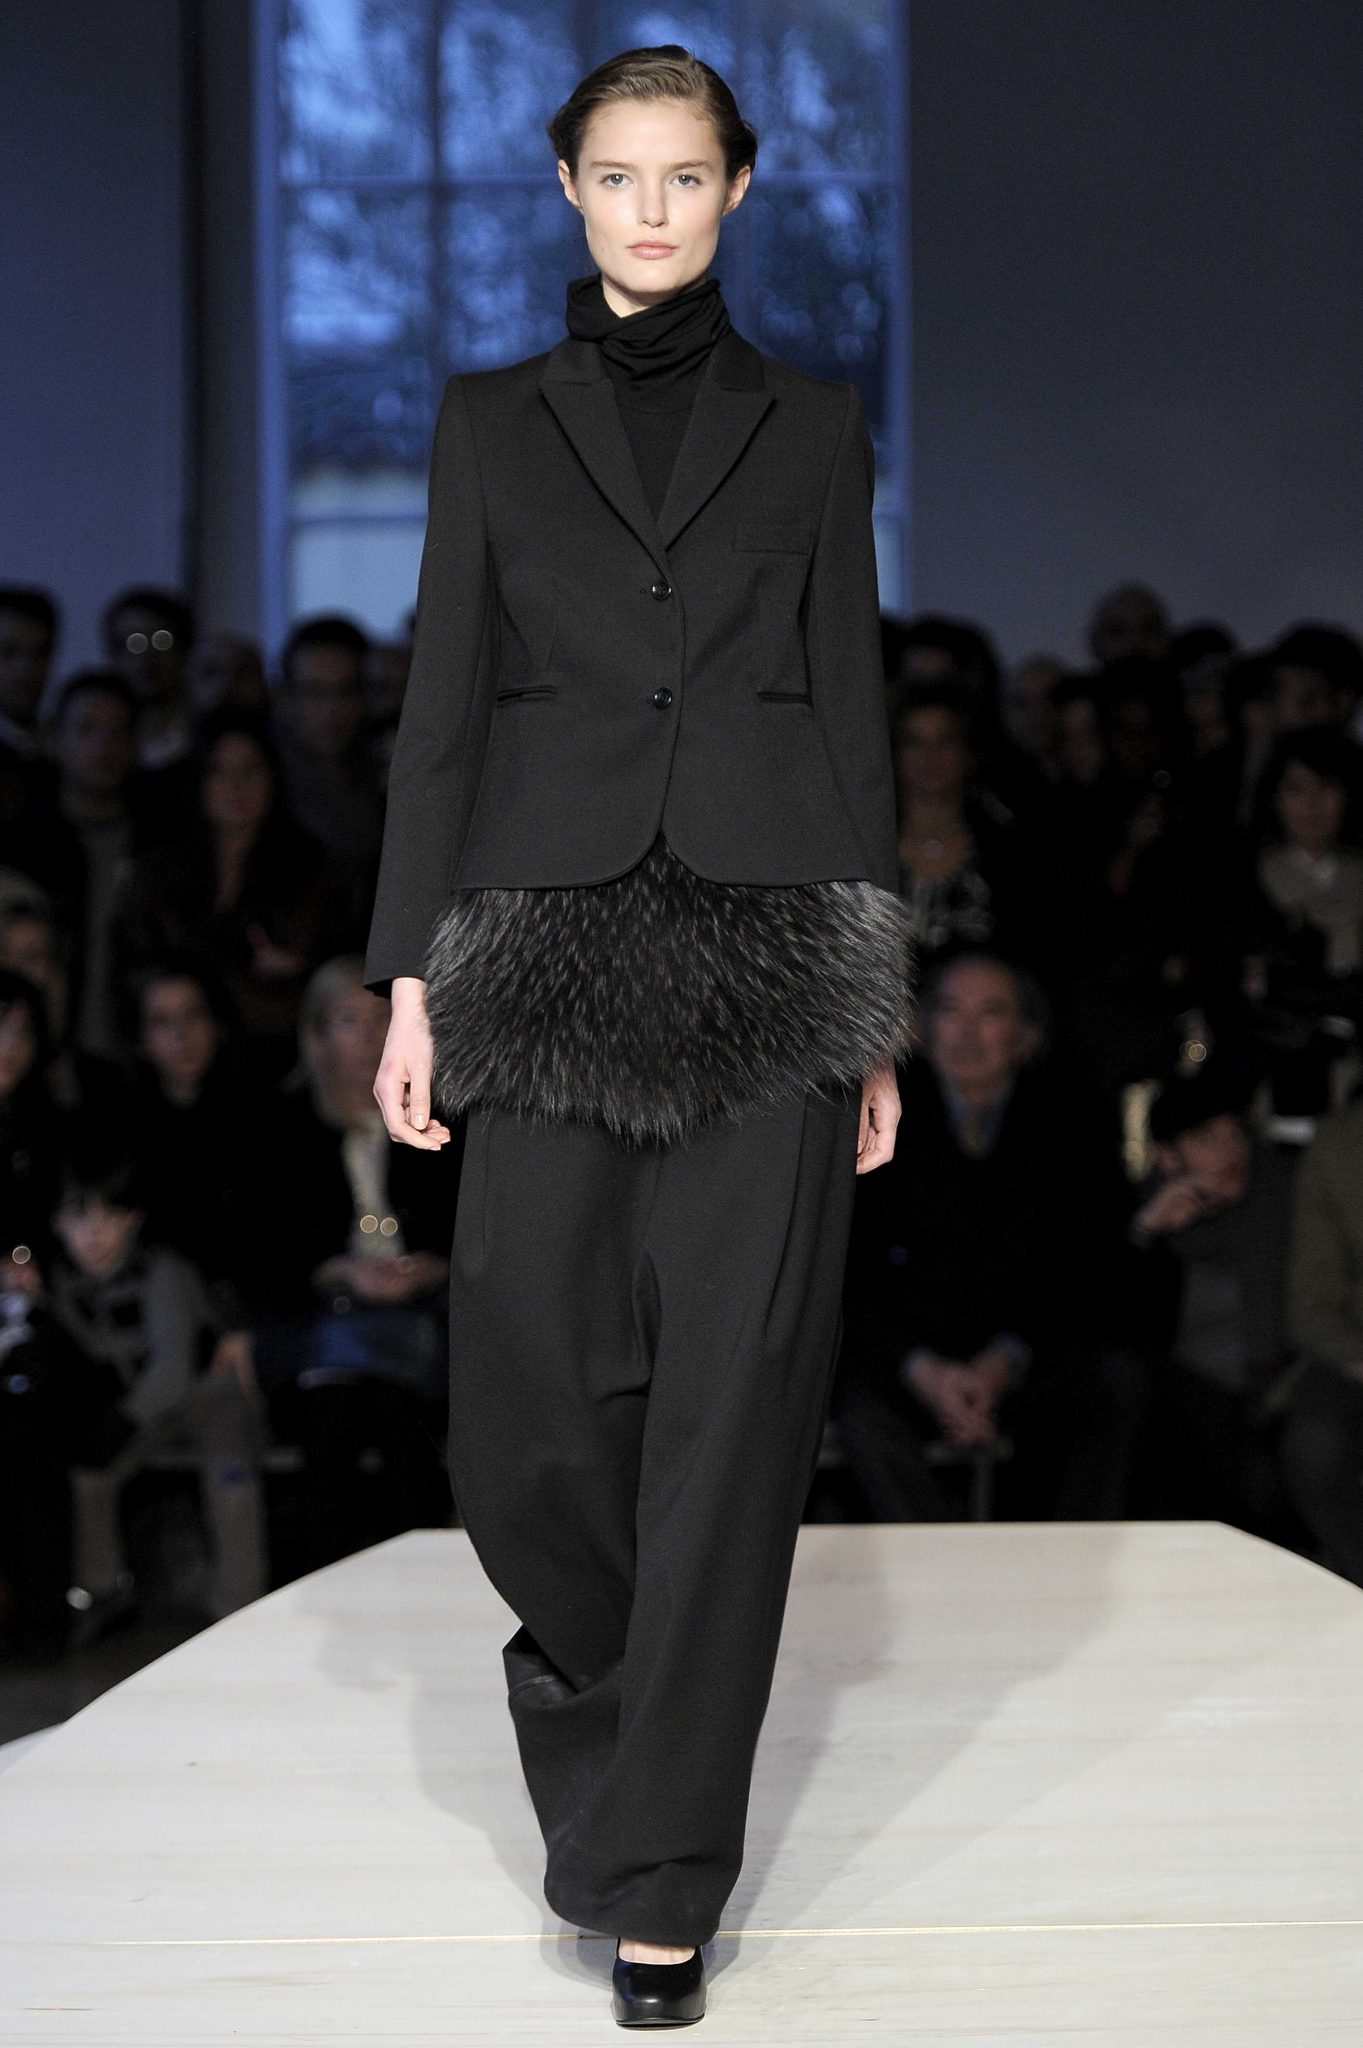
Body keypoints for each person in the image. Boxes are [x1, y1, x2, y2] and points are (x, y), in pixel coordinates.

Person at [363, 46, 914, 2029]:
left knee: (733, 1422)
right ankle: (614, 1730)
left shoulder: (813, 426)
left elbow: (847, 705)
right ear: (569, 186)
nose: (654, 209)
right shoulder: (488, 423)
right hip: (540, 951)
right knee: (525, 1419)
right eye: (620, 175)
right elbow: (442, 705)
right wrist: (406, 980)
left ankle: (660, 1875)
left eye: (687, 176)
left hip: (772, 961)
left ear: (738, 189)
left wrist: (872, 1007)